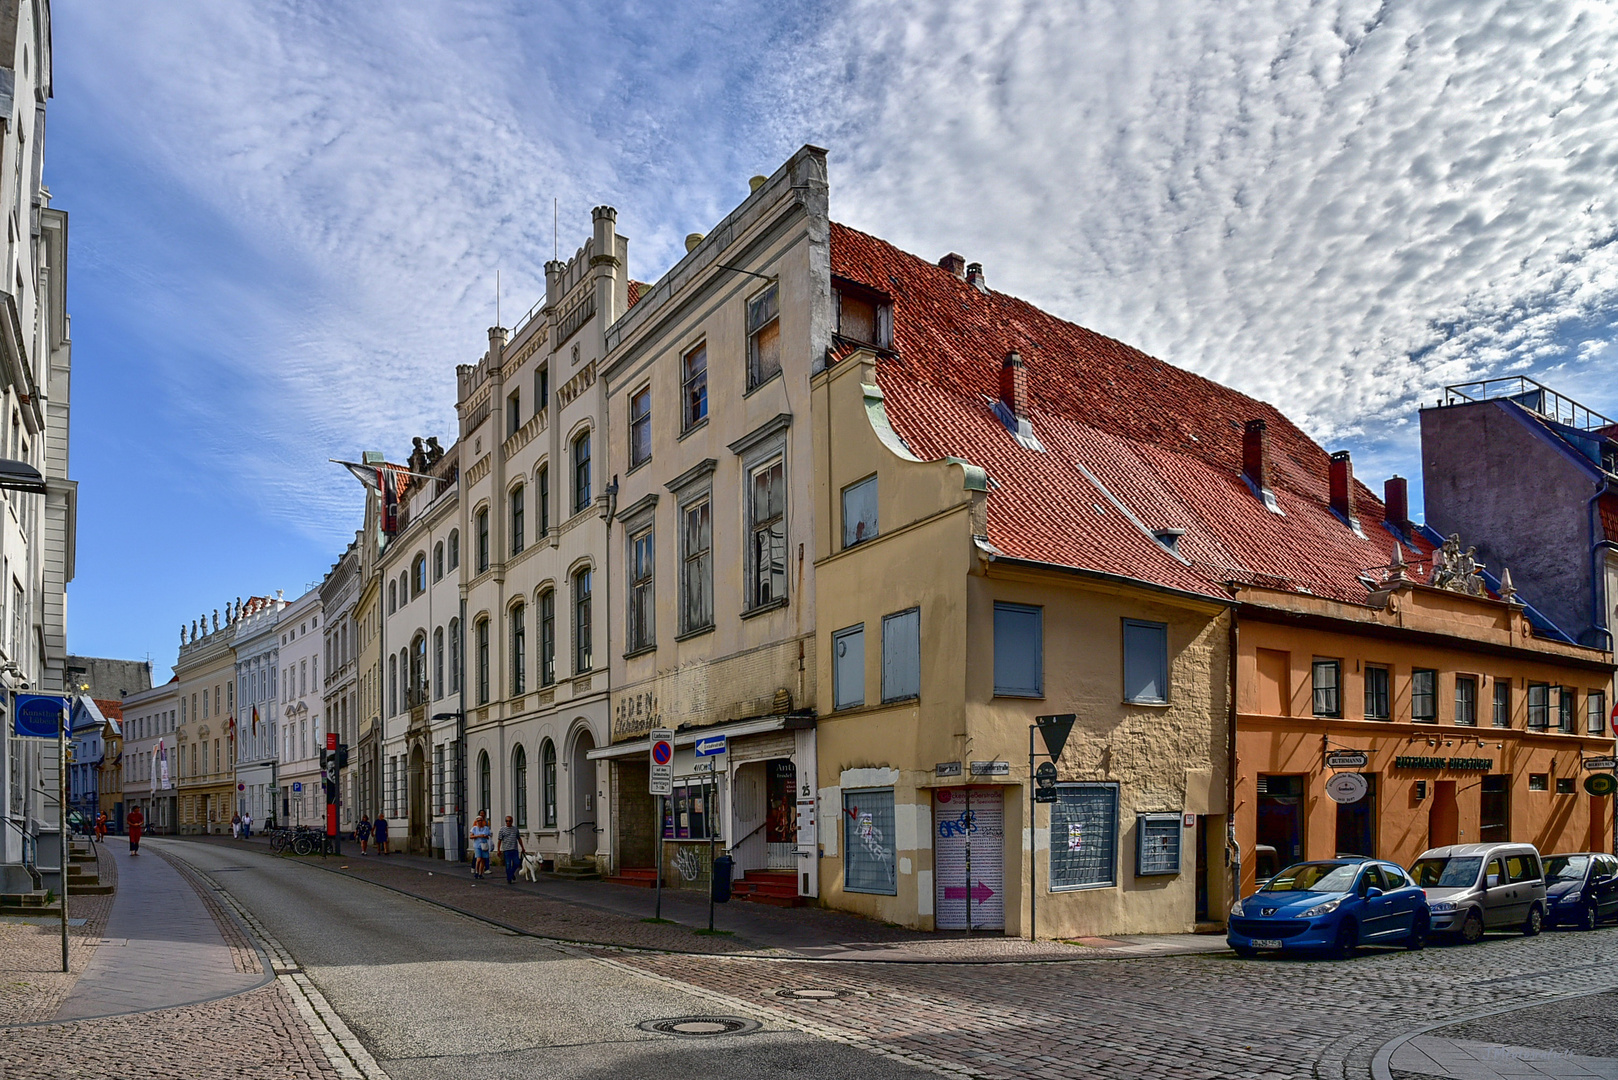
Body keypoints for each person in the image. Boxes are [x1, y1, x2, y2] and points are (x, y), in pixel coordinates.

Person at [497, 815, 526, 884]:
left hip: (514, 849)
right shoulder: (502, 830)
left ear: (512, 821)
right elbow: (499, 840)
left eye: (509, 821)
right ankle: (509, 878)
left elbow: (519, 838)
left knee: (517, 863)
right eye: (507, 821)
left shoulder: (515, 829)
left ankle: (511, 873)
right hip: (506, 850)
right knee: (508, 864)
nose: (508, 822)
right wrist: (498, 850)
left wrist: (522, 847)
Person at [469, 813, 492, 879]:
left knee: (483, 860)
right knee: (478, 859)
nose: (480, 822)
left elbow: (489, 836)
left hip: (484, 845)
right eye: (478, 821)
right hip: (477, 845)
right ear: (476, 821)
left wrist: (485, 836)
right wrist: (478, 836)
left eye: (481, 820)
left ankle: (480, 873)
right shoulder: (474, 828)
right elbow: (471, 836)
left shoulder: (486, 828)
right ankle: (476, 871)